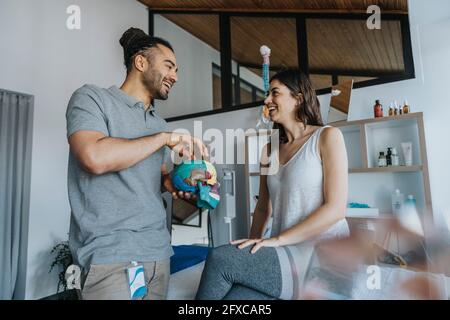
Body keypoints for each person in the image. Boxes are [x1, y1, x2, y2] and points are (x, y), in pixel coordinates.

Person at [66, 27, 207, 300]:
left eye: (177, 70)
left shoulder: (158, 124)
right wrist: (164, 139)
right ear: (140, 63)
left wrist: (185, 182)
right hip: (110, 256)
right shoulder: (92, 99)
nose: (175, 76)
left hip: (158, 253)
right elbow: (93, 158)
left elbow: (161, 182)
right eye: (169, 66)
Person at [195, 69, 350, 300]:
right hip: (284, 251)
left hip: (321, 256)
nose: (266, 100)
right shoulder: (269, 149)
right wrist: (250, 246)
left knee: (220, 258)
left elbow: (336, 209)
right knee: (234, 298)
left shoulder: (327, 137)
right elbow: (262, 207)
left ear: (298, 97)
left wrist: (277, 240)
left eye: (274, 93)